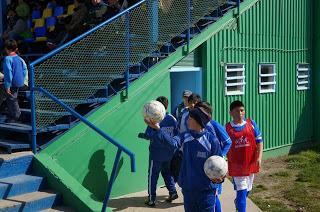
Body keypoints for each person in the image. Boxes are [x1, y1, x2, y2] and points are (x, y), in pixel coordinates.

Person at [139, 96, 179, 207]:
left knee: (153, 175)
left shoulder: (154, 119)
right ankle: (173, 192)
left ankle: (151, 199)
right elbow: (176, 134)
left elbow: (149, 135)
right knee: (167, 172)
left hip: (156, 153)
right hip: (169, 153)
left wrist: (142, 135)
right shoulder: (172, 118)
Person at [226, 100, 263, 212]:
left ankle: (238, 202)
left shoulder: (251, 124)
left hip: (251, 163)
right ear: (231, 113)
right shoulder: (227, 128)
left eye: (242, 110)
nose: (240, 113)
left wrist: (259, 157)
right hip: (237, 166)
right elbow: (223, 145)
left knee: (247, 190)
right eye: (237, 111)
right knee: (242, 192)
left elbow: (259, 141)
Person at [195, 101, 232, 212]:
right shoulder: (195, 127)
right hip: (201, 166)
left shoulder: (214, 125)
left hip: (214, 167)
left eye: (200, 111)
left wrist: (220, 157)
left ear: (208, 114)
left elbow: (228, 142)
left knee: (214, 195)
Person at [0, 39, 28, 123]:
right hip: (20, 82)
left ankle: (16, 116)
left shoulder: (7, 59)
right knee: (10, 97)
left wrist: (7, 86)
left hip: (13, 84)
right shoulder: (19, 58)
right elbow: (24, 71)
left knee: (11, 98)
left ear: (6, 49)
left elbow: (8, 73)